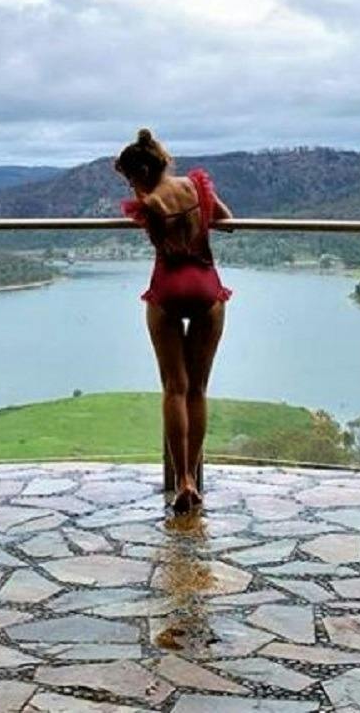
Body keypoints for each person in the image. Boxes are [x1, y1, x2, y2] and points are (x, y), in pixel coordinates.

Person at [116, 128, 233, 513]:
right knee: (198, 389)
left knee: (174, 388)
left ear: (140, 174)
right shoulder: (196, 185)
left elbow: (149, 217)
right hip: (205, 287)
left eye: (130, 178)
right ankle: (195, 477)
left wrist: (142, 191)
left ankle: (181, 477)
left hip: (167, 290)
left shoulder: (148, 202)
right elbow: (227, 221)